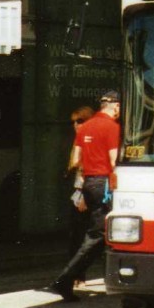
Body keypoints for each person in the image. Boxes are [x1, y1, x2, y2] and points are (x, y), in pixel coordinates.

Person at [48, 90, 121, 302]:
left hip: (88, 182)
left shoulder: (85, 127)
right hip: (104, 184)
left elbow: (76, 159)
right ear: (115, 106)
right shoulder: (112, 127)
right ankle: (64, 280)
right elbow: (114, 161)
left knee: (96, 234)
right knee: (99, 235)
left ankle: (69, 280)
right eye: (119, 108)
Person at [66, 104, 96, 267]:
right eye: (74, 122)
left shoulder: (89, 142)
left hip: (86, 192)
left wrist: (84, 195)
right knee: (76, 236)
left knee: (82, 236)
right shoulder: (77, 142)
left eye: (80, 121)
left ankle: (78, 275)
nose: (76, 125)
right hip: (78, 193)